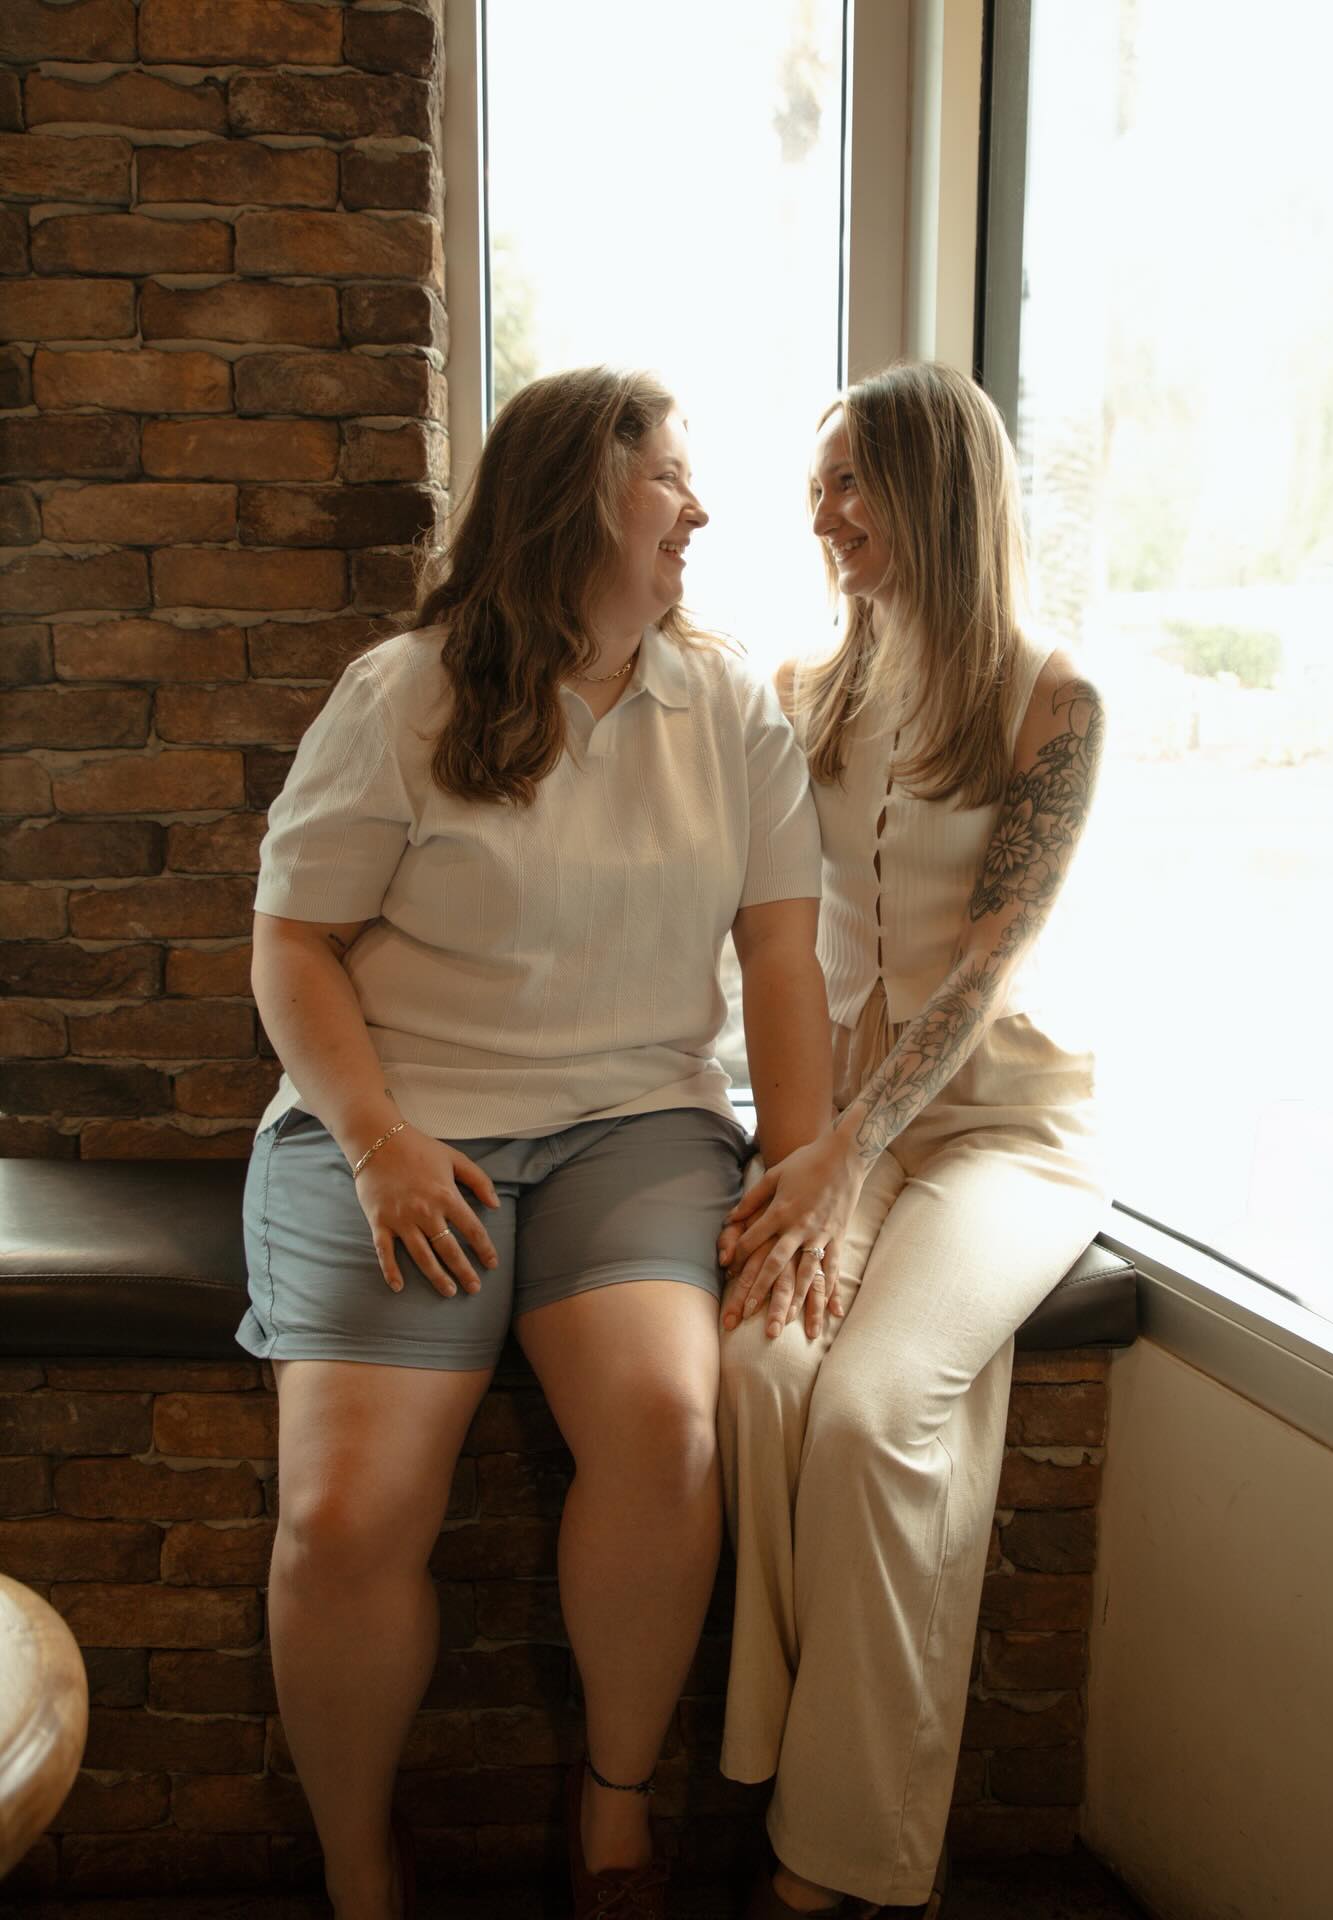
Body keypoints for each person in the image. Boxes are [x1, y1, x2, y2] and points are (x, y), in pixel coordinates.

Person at [238, 366, 832, 1920]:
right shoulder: (405, 694)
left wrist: (810, 1168)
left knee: (668, 1429)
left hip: (632, 1127)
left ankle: (614, 1814)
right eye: (671, 482)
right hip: (398, 1124)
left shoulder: (733, 709)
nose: (699, 512)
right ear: (580, 496)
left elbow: (780, 959)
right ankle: (365, 1869)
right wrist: (374, 1141)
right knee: (348, 1511)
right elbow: (289, 947)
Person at [713, 362, 1107, 1918]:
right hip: (838, 1130)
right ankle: (792, 1749)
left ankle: (834, 1863)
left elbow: (985, 964)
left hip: (1004, 1132)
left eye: (851, 481)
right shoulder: (807, 693)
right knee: (755, 1369)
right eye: (819, 483)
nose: (820, 513)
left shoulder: (1052, 704)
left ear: (938, 496)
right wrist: (789, 1141)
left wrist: (846, 1161)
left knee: (877, 1415)